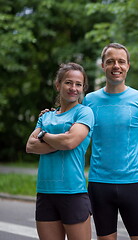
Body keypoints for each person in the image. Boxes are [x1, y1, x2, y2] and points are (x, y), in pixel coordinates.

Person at [82, 43, 138, 240]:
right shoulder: (89, 100)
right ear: (103, 66)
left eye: (121, 61)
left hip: (132, 183)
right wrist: (49, 118)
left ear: (128, 66)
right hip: (99, 184)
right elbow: (77, 137)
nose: (116, 66)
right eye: (110, 62)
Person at [26, 62, 94, 240]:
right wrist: (60, 140)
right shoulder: (46, 116)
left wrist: (43, 134)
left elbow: (70, 142)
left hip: (73, 192)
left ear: (83, 88)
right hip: (45, 192)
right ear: (58, 85)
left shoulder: (85, 113)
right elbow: (30, 146)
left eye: (78, 84)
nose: (73, 88)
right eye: (68, 83)